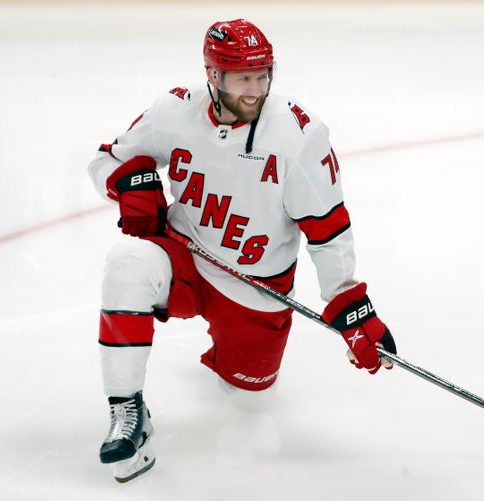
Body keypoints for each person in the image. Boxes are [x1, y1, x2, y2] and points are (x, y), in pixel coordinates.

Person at [87, 18, 396, 483]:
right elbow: (106, 159)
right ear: (214, 77)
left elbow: (329, 228)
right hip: (184, 259)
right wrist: (129, 183)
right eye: (241, 78)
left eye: (262, 75)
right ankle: (128, 413)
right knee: (127, 263)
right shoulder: (173, 111)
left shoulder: (298, 134)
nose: (254, 90)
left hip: (256, 291)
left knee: (249, 401)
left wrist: (349, 304)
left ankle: (230, 362)